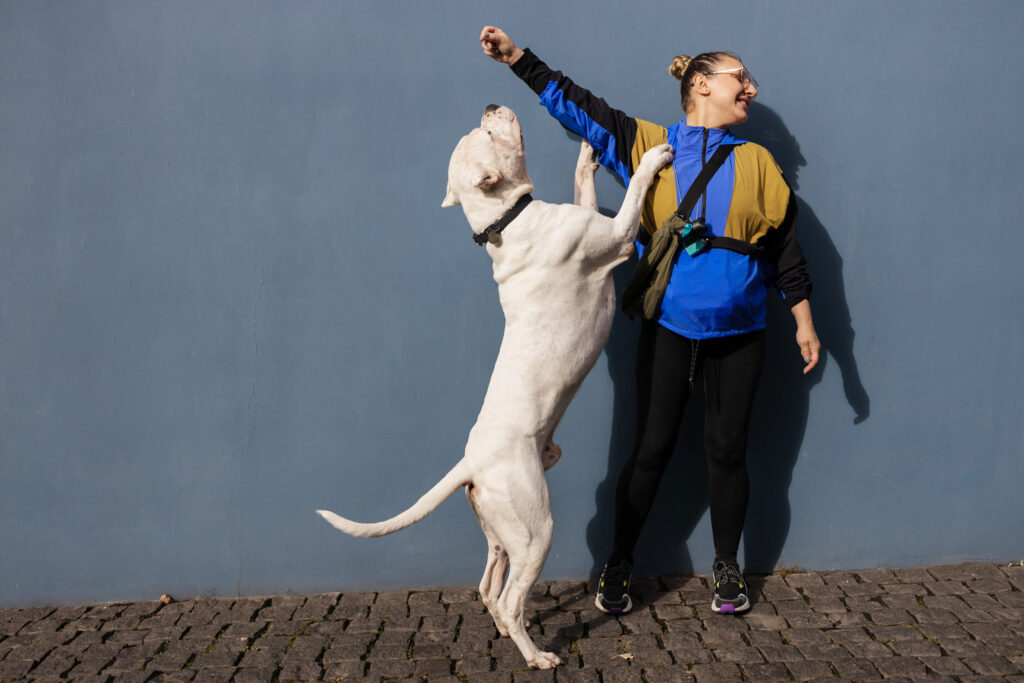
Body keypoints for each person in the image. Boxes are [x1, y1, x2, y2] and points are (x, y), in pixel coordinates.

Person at [479, 26, 821, 615]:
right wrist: (517, 60)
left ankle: (727, 569)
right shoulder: (650, 144)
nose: (752, 88)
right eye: (742, 78)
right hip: (669, 327)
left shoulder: (760, 162)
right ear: (702, 84)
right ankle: (619, 564)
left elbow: (786, 251)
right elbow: (578, 106)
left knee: (728, 451)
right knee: (649, 450)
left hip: (742, 334)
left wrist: (804, 322)